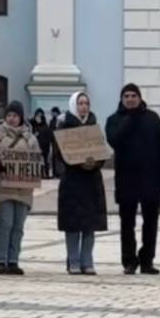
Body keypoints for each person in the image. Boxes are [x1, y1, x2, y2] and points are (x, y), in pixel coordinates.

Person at [106, 82, 160, 275]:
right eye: (126, 96)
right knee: (127, 223)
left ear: (140, 97)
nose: (130, 99)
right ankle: (129, 260)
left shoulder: (153, 118)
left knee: (151, 223)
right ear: (122, 99)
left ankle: (147, 260)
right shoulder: (115, 119)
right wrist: (129, 119)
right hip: (126, 180)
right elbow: (114, 140)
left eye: (133, 96)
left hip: (151, 179)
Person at [0, 100, 41, 275]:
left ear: (21, 117)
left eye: (15, 115)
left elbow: (38, 159)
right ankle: (0, 260)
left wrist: (37, 168)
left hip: (23, 189)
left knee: (18, 226)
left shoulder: (30, 138)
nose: (12, 118)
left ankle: (13, 260)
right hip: (2, 187)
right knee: (5, 223)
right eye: (9, 115)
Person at [56, 91, 107, 275]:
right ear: (74, 105)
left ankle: (87, 260)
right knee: (73, 224)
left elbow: (101, 150)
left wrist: (96, 163)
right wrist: (78, 162)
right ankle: (74, 260)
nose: (84, 106)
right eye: (80, 103)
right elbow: (60, 154)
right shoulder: (64, 126)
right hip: (73, 181)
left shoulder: (94, 125)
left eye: (86, 103)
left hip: (91, 181)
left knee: (89, 225)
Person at [31, 108, 53, 177]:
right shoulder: (33, 125)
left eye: (40, 116)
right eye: (37, 116)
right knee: (36, 161)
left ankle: (46, 174)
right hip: (35, 147)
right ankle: (38, 174)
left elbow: (49, 137)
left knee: (45, 161)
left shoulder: (45, 126)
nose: (38, 118)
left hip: (45, 147)